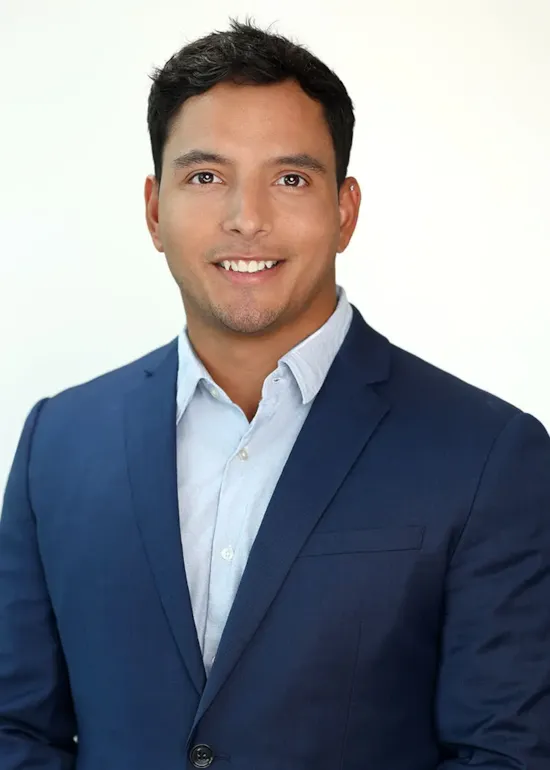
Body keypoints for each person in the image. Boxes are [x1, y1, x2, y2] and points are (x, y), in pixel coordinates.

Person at [1, 17, 549, 770]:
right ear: (154, 209)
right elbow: (14, 730)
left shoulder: (489, 454)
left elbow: (508, 752)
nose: (246, 218)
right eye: (205, 176)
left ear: (345, 210)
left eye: (290, 178)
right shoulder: (57, 443)